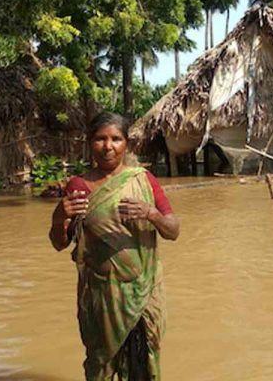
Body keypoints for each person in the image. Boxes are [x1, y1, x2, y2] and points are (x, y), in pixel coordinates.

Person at [50, 112, 180, 380]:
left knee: (142, 365)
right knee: (100, 366)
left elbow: (173, 231)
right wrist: (59, 216)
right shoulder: (79, 186)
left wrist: (150, 213)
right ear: (90, 143)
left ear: (126, 144)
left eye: (116, 139)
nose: (108, 146)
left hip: (144, 294)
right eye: (100, 139)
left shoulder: (143, 181)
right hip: (101, 298)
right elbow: (59, 244)